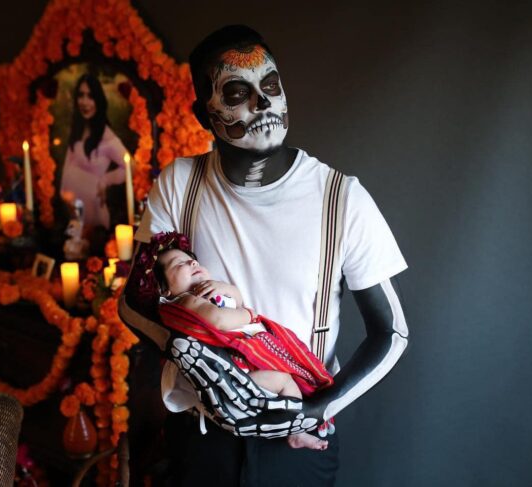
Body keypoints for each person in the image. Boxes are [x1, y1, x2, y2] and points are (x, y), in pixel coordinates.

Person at [121, 25, 410, 486]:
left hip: (296, 449)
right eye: (237, 92)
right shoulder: (181, 182)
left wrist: (314, 410)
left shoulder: (340, 198)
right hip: (201, 437)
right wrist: (204, 366)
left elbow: (391, 332)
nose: (262, 103)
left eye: (270, 85)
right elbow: (132, 301)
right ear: (203, 114)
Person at [154, 242, 334, 450]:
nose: (192, 262)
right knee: (284, 381)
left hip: (244, 373)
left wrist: (227, 289)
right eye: (180, 264)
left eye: (193, 259)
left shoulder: (208, 294)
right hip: (235, 380)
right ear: (165, 289)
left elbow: (235, 302)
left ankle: (293, 428)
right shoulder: (185, 302)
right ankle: (296, 433)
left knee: (288, 383)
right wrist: (249, 315)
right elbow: (219, 320)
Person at [60, 73, 128, 234]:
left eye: (90, 96)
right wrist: (65, 196)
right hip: (74, 217)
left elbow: (131, 166)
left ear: (98, 100)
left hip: (95, 218)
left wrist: (105, 180)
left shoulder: (106, 135)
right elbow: (67, 169)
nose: (84, 102)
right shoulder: (77, 130)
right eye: (81, 95)